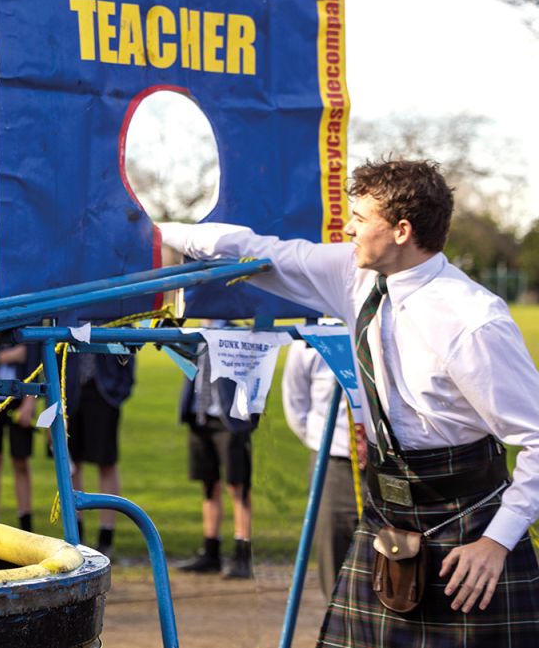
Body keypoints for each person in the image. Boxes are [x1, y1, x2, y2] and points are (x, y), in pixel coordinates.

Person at [161, 159, 539, 646]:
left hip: (467, 525)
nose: (347, 228)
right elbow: (261, 252)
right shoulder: (353, 276)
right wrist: (151, 228)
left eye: (359, 219)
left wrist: (496, 541)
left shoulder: (473, 320)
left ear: (401, 230)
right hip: (386, 510)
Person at [175, 330, 259, 579]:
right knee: (208, 486)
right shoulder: (193, 333)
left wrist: (248, 416)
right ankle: (211, 550)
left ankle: (243, 552)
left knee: (238, 486)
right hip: (200, 418)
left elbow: (254, 374)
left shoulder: (238, 331)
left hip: (230, 420)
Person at [281, 338, 360, 597]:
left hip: (388, 461)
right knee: (333, 546)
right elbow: (296, 405)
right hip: (333, 461)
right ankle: (338, 625)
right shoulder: (308, 344)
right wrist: (323, 443)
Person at [67, 351, 135, 557]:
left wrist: (119, 389)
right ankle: (74, 535)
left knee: (106, 462)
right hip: (69, 390)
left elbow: (129, 347)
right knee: (70, 463)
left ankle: (106, 535)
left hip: (103, 392)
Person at [0, 344, 38, 531]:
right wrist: (7, 356)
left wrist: (30, 401)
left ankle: (25, 521)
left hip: (20, 398)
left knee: (21, 461)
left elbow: (36, 358)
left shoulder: (33, 319)